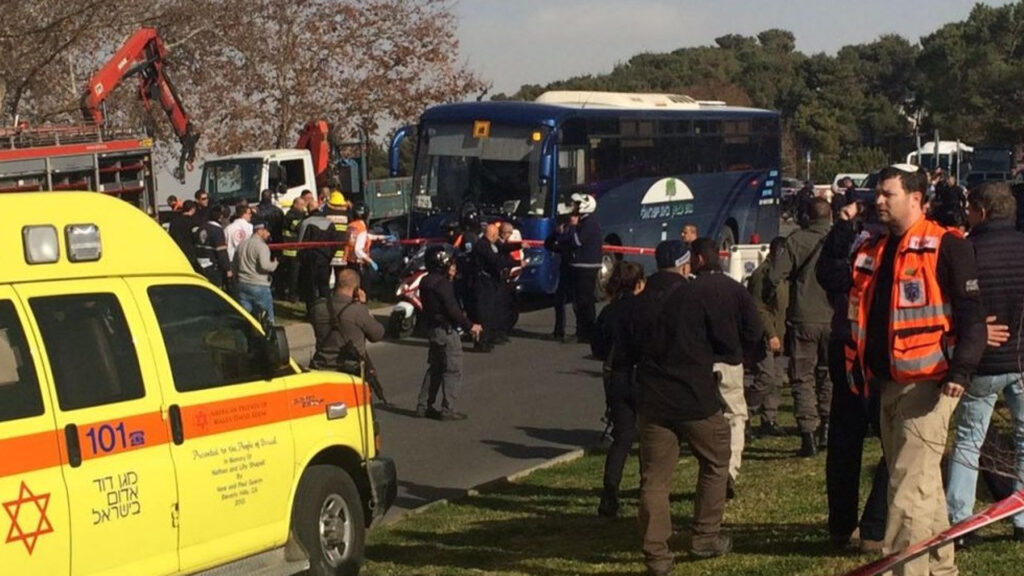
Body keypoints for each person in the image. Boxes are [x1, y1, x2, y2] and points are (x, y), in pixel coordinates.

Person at [846, 164, 985, 576]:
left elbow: (972, 317)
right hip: (886, 383)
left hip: (931, 385)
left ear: (917, 198)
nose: (879, 200)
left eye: (888, 193)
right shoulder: (873, 247)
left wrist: (961, 373)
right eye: (878, 193)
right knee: (919, 486)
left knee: (906, 488)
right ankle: (939, 569)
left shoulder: (947, 245)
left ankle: (903, 569)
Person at [633, 240, 735, 574]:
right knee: (716, 462)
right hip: (695, 397)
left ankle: (656, 554)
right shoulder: (696, 297)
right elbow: (725, 342)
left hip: (652, 400)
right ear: (686, 266)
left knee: (654, 479)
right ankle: (705, 536)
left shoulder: (639, 301)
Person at [946, 181, 1024, 544]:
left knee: (968, 440)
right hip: (1021, 357)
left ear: (981, 211)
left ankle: (960, 520)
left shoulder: (968, 251)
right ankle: (1020, 515)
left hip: (983, 357)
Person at [817, 198, 889, 552]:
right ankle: (872, 526)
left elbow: (828, 272)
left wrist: (843, 226)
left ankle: (843, 525)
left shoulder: (854, 243)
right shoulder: (887, 247)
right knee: (896, 438)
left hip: (847, 342)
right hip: (871, 349)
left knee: (847, 440)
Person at [690, 237, 763, 498]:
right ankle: (729, 471)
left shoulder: (691, 292)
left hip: (698, 364)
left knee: (702, 420)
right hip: (730, 360)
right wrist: (742, 350)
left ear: (698, 259)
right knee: (735, 416)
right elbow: (755, 328)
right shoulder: (736, 290)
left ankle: (709, 471)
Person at [768, 197, 834, 456]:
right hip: (833, 316)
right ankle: (828, 425)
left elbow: (775, 276)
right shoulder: (841, 239)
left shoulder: (796, 240)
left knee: (802, 377)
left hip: (804, 316)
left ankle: (808, 433)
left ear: (807, 217)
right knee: (828, 373)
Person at [591, 260, 646, 519]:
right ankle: (648, 489)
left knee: (622, 437)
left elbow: (598, 348)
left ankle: (609, 493)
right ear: (639, 284)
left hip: (617, 376)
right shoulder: (646, 309)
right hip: (643, 376)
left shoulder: (609, 311)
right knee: (649, 435)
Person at [415, 245, 482, 421]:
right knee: (452, 369)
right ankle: (448, 409)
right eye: (451, 263)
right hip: (446, 330)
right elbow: (452, 309)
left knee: (434, 368)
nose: (453, 267)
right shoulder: (442, 284)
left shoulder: (426, 281)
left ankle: (423, 405)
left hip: (433, 330)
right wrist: (470, 326)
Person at [309, 268, 388, 403]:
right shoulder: (357, 311)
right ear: (356, 289)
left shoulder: (317, 308)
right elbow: (377, 334)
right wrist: (363, 306)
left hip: (321, 369)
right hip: (350, 372)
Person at [745, 236, 788, 437]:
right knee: (766, 377)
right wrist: (770, 333)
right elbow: (758, 308)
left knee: (777, 379)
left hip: (780, 331)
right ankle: (744, 413)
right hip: (764, 335)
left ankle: (769, 418)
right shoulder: (762, 275)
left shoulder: (783, 274)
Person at [568, 193, 602, 343]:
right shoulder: (585, 222)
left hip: (586, 267)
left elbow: (577, 241)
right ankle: (582, 331)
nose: (573, 208)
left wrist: (572, 228)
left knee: (584, 301)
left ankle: (586, 332)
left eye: (576, 204)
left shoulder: (588, 223)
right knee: (580, 301)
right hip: (580, 266)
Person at [233, 219, 279, 324]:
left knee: (245, 318)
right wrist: (275, 264)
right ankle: (270, 337)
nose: (269, 234)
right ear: (260, 230)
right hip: (259, 284)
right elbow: (264, 266)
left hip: (242, 283)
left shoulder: (242, 244)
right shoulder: (262, 246)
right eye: (267, 231)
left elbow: (234, 265)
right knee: (267, 318)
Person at [471, 223, 508, 352]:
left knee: (488, 312)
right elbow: (495, 261)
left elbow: (503, 250)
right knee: (483, 314)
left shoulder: (487, 244)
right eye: (496, 235)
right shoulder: (483, 246)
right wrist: (515, 262)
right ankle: (481, 342)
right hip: (482, 283)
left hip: (487, 282)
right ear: (492, 235)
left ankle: (487, 338)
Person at [545, 205, 576, 341]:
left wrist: (560, 239)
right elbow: (548, 244)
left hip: (576, 268)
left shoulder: (576, 230)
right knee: (559, 300)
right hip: (565, 267)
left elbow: (571, 243)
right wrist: (557, 235)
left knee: (577, 302)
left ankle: (581, 331)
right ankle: (559, 330)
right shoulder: (563, 229)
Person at [194, 203, 231, 289]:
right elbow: (221, 252)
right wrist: (227, 269)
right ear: (220, 217)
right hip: (213, 267)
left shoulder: (201, 228)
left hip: (200, 265)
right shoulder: (217, 231)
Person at [346, 202, 387, 277]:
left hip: (350, 263)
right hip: (360, 265)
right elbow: (358, 250)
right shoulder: (362, 227)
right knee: (364, 287)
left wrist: (383, 237)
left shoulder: (351, 226)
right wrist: (371, 261)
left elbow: (362, 237)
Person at [280, 196, 307, 302]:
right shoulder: (291, 215)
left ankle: (296, 293)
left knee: (296, 274)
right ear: (295, 204)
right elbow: (298, 227)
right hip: (291, 249)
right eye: (301, 205)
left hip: (296, 249)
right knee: (293, 275)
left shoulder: (299, 214)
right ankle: (292, 295)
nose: (303, 207)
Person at [167, 199, 201, 272]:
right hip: (191, 253)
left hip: (177, 253)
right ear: (192, 209)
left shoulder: (174, 222)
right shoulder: (194, 222)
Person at [325, 191, 350, 270]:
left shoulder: (326, 215)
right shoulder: (347, 215)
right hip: (343, 253)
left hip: (329, 253)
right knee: (341, 277)